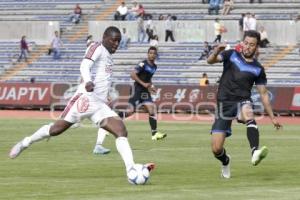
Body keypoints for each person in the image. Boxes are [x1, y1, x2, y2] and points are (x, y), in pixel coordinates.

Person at [9, 26, 155, 178]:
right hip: (85, 99)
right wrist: (88, 81)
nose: (116, 44)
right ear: (104, 38)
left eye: (118, 41)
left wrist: (105, 96)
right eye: (113, 40)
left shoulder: (107, 54)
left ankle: (131, 169)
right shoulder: (96, 47)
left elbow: (102, 77)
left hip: (99, 104)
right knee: (55, 130)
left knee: (121, 130)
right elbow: (85, 65)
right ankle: (25, 142)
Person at [206, 30, 282, 179]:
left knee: (248, 112)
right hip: (224, 103)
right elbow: (210, 61)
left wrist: (272, 117)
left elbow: (264, 94)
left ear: (256, 47)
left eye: (252, 45)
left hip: (242, 100)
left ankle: (255, 152)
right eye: (246, 43)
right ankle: (226, 161)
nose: (248, 47)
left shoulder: (258, 69)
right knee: (216, 148)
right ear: (242, 43)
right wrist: (215, 52)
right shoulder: (231, 55)